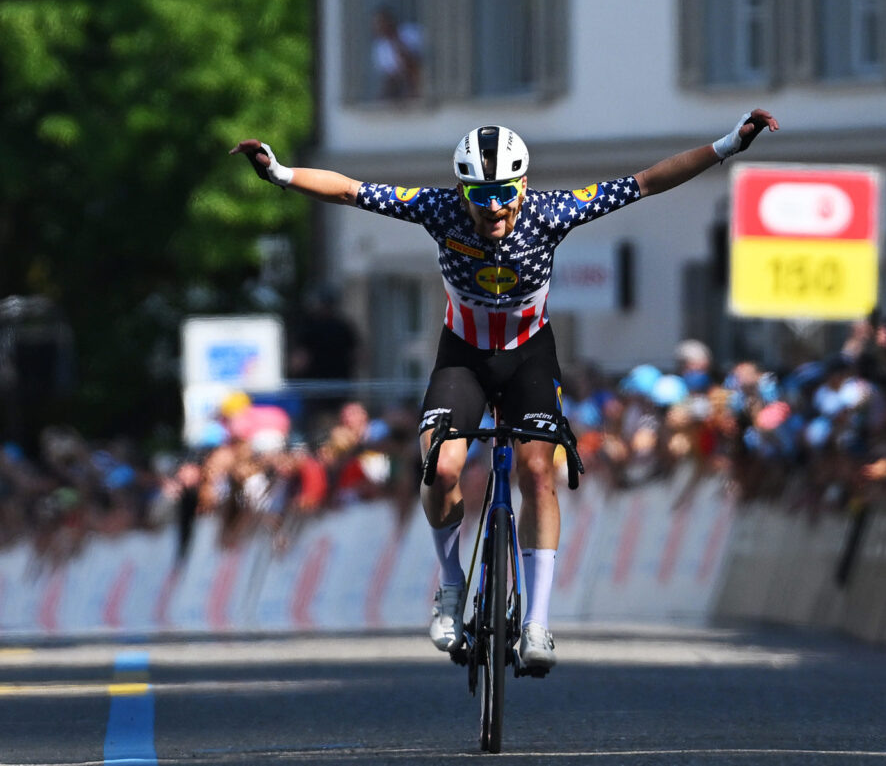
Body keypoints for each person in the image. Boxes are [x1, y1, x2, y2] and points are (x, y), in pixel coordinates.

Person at [231, 109, 779, 668]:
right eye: (480, 194)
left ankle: (537, 622)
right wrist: (281, 173)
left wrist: (728, 145)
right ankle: (449, 590)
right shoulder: (439, 210)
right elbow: (350, 190)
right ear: (462, 191)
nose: (493, 206)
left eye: (504, 193)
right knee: (440, 469)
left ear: (522, 187)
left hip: (528, 357)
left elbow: (647, 181)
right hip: (463, 358)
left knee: (538, 472)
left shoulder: (552, 212)